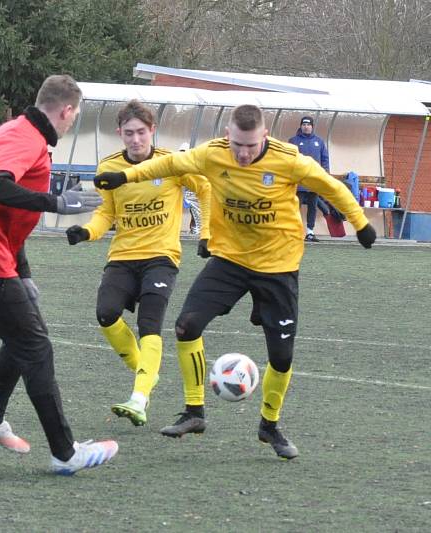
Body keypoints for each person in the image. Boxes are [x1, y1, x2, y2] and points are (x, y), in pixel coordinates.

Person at [94, 104, 376, 459]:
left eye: (251, 146)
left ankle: (269, 426)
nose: (243, 154)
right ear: (228, 136)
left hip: (278, 266)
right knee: (186, 326)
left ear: (265, 137)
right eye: (237, 145)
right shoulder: (214, 154)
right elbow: (169, 164)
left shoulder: (289, 160)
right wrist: (125, 177)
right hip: (229, 260)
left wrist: (360, 223)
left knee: (282, 356)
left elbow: (331, 188)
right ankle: (194, 413)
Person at [0, 74, 118, 475]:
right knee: (36, 347)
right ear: (67, 110)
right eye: (74, 116)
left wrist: (21, 271)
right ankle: (64, 452)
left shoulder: (20, 132)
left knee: (25, 335)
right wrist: (56, 201)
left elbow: (6, 214)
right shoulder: (24, 138)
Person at [64, 101, 211, 427]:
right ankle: (147, 372)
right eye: (128, 133)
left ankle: (139, 397)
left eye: (140, 132)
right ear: (120, 133)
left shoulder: (170, 163)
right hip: (123, 257)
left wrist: (207, 233)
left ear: (152, 131)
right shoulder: (109, 168)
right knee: (106, 314)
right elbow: (106, 213)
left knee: (150, 323)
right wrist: (87, 231)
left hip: (161, 257)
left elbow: (205, 188)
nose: (135, 139)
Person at [288, 116, 330, 242]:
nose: (306, 126)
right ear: (301, 126)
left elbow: (325, 160)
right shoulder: (293, 141)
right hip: (298, 182)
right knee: (295, 207)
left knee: (313, 207)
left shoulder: (319, 142)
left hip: (314, 182)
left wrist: (324, 175)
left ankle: (310, 232)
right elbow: (288, 159)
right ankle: (293, 232)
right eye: (304, 124)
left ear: (312, 126)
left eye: (308, 124)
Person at [179, 142, 202, 235]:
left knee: (196, 211)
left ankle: (197, 230)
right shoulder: (177, 165)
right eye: (181, 152)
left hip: (194, 194)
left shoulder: (196, 167)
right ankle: (195, 229)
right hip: (185, 193)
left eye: (184, 152)